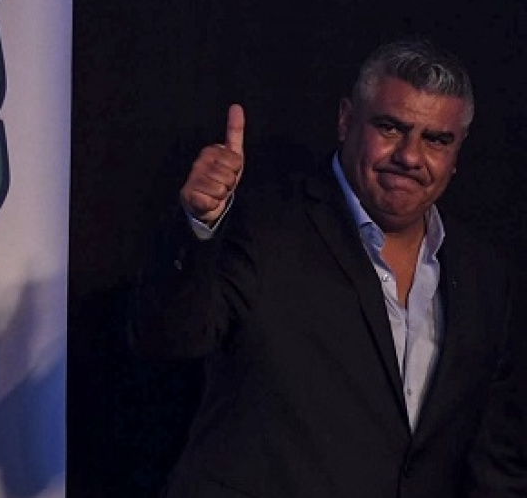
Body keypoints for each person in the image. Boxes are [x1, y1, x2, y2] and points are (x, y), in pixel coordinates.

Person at [131, 38, 524, 497]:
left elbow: (493, 464)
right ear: (345, 120)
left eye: (436, 139)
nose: (410, 156)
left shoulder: (483, 278)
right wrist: (198, 226)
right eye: (390, 128)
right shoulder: (264, 227)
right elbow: (168, 336)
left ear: (457, 153)